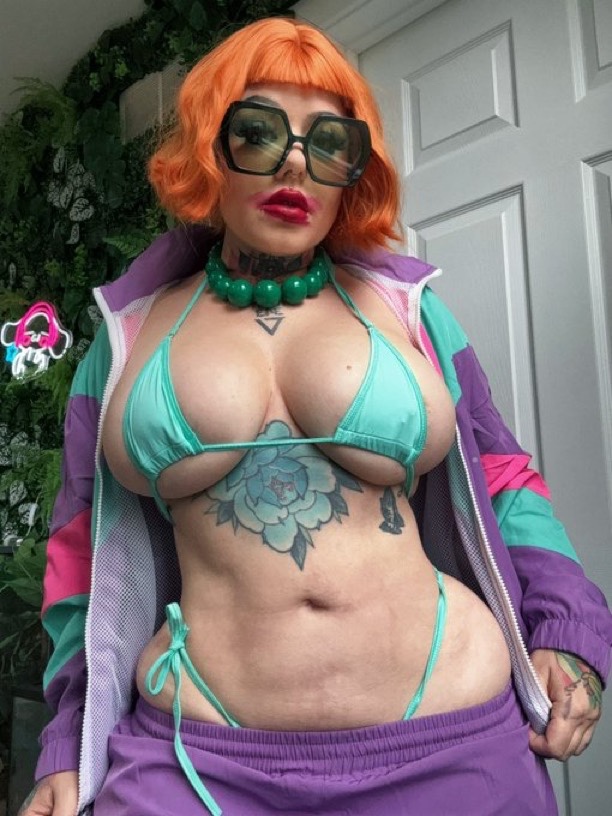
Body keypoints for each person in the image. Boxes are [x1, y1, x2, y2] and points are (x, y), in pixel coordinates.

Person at [22, 16, 611, 816]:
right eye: (258, 133)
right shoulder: (127, 336)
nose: (296, 163)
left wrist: (569, 627)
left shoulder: (409, 312)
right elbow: (79, 546)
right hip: (198, 757)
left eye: (330, 143)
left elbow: (503, 476)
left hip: (454, 742)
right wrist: (66, 738)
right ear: (209, 149)